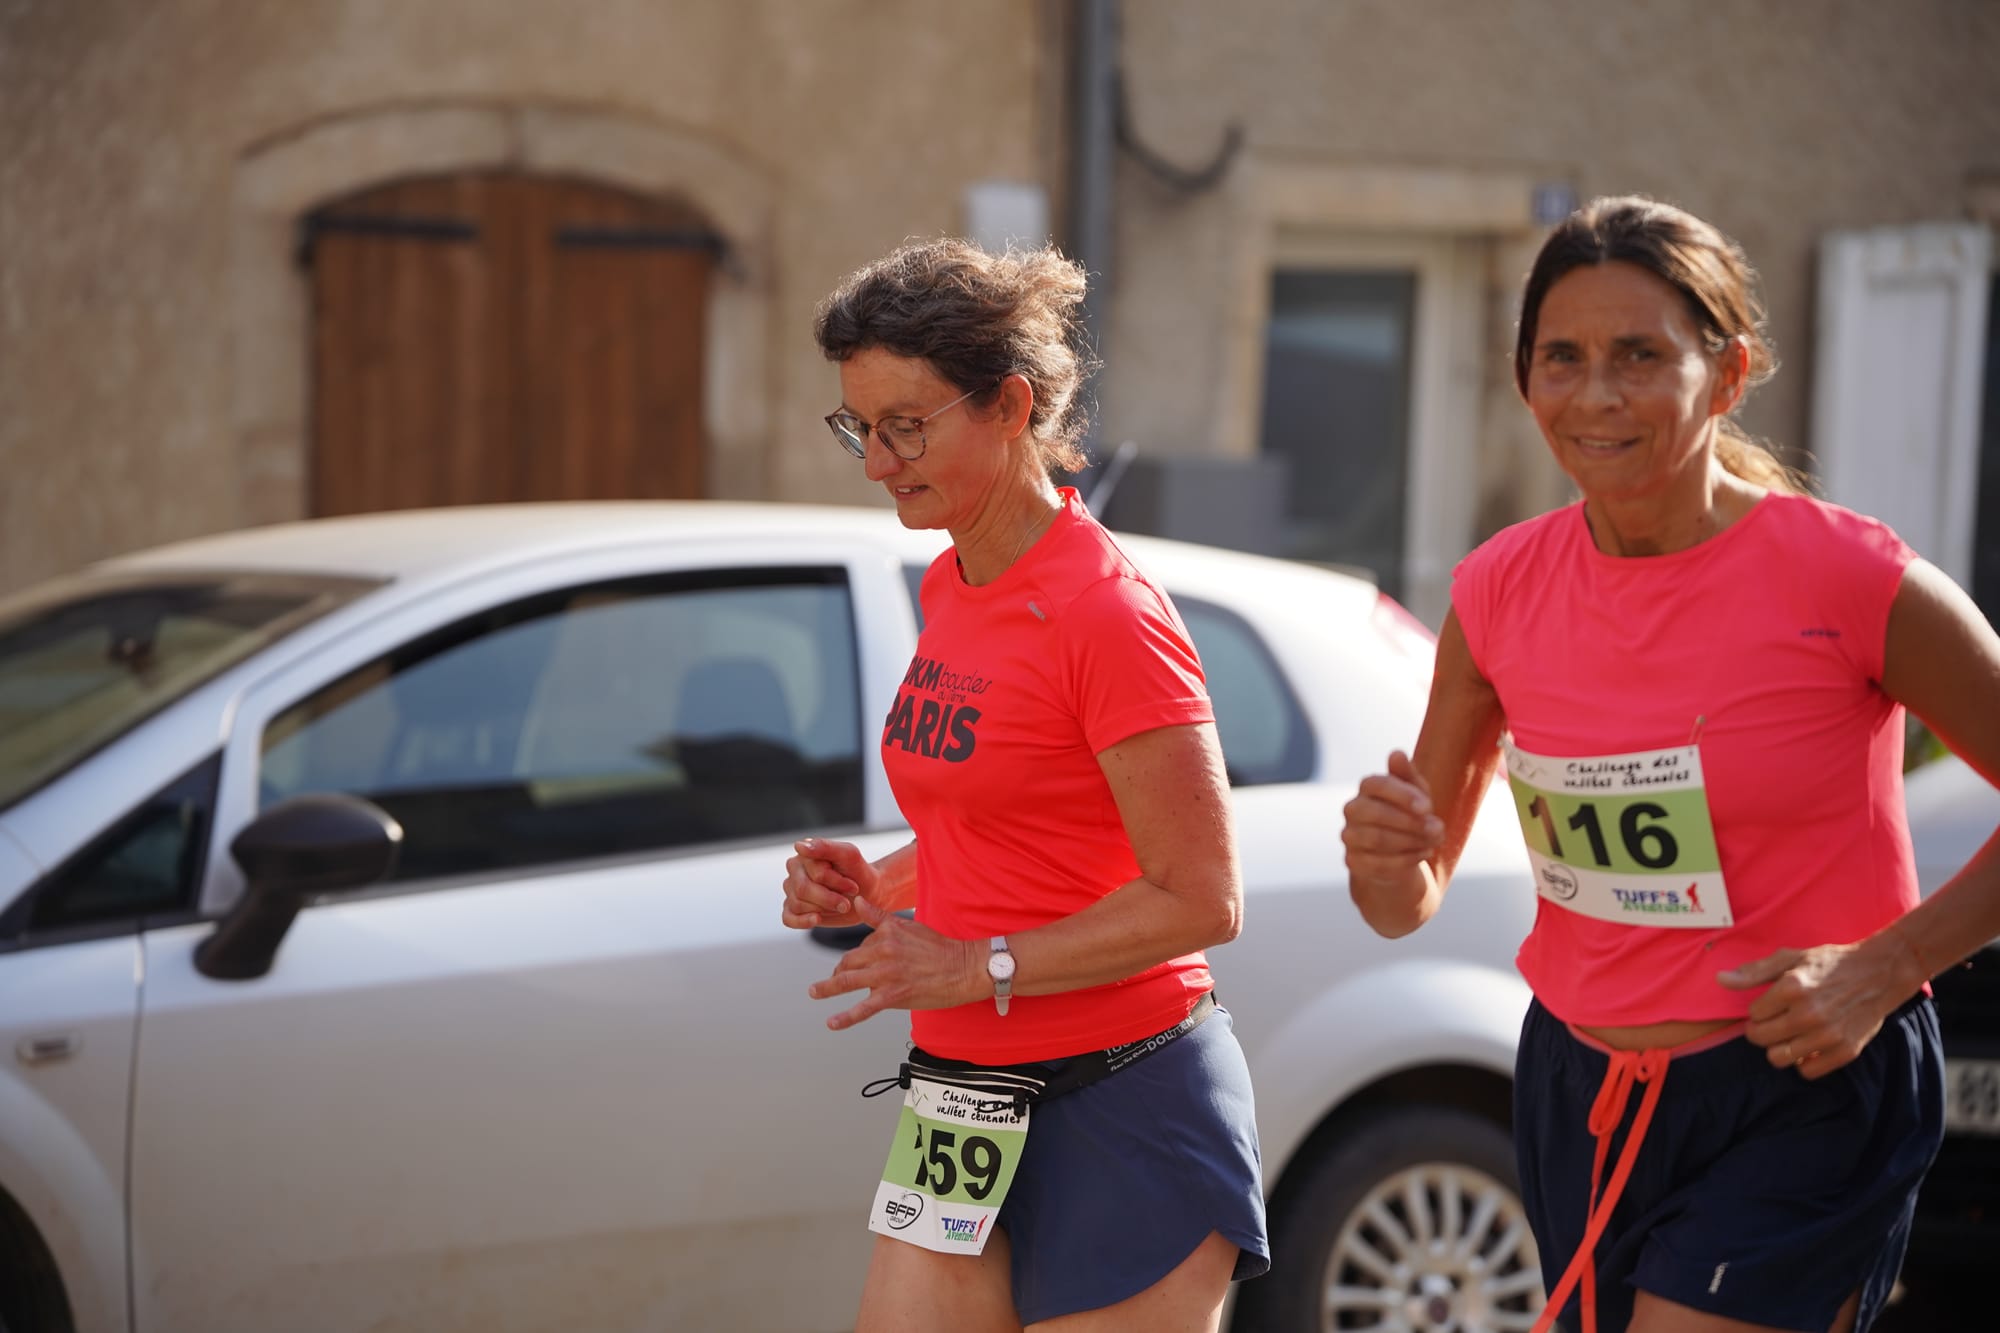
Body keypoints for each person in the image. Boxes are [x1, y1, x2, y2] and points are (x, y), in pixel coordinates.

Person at [1340, 195, 2000, 1333]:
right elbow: (1402, 900)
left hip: (1799, 1080)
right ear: (1521, 377)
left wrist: (1883, 969)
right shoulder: (1495, 588)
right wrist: (1383, 852)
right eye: (1562, 357)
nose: (1594, 395)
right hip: (1578, 1090)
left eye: (1639, 356)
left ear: (1728, 371)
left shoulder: (1845, 576)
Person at [782, 237, 1270, 1332]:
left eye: (905, 425)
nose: (875, 461)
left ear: (1008, 406)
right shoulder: (954, 576)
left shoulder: (1106, 611)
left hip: (1125, 1097)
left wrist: (976, 964)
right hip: (963, 1097)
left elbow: (1202, 899)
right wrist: (881, 884)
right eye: (859, 427)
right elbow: (1016, 824)